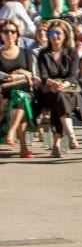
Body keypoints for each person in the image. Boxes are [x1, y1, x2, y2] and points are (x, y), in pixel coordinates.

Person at [36, 19, 82, 157]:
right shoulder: (43, 53)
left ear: (65, 35)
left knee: (59, 98)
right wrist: (53, 84)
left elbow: (72, 76)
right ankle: (71, 136)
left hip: (69, 90)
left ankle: (57, 145)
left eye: (58, 33)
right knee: (57, 98)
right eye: (51, 33)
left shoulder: (72, 52)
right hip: (48, 90)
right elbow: (43, 76)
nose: (54, 36)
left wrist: (62, 85)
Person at [0, 20, 37, 157]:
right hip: (3, 93)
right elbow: (25, 75)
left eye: (12, 31)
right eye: (5, 31)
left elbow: (30, 78)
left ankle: (11, 132)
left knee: (20, 96)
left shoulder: (26, 53)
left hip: (24, 91)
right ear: (1, 35)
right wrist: (19, 74)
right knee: (18, 98)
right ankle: (23, 148)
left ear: (17, 34)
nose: (9, 34)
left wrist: (13, 78)